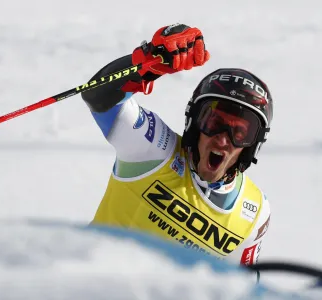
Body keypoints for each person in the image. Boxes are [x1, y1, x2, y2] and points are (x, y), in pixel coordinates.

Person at [81, 23, 272, 266]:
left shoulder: (254, 212)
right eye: (213, 122)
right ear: (194, 122)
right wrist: (148, 63)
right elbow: (98, 95)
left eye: (240, 132)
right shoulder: (153, 149)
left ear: (252, 145)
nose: (223, 139)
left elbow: (242, 288)